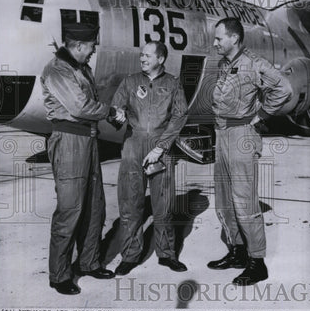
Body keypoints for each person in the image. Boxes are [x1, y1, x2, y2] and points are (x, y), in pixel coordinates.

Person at [208, 17, 293, 285]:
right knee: (224, 200)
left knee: (244, 202)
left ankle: (258, 263)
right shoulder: (225, 64)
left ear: (234, 38)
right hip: (221, 134)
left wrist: (263, 114)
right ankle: (238, 251)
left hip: (242, 135)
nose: (215, 42)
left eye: (219, 38)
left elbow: (284, 88)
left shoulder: (255, 63)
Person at [41, 22, 122, 295]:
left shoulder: (80, 68)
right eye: (91, 47)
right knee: (70, 209)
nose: (93, 51)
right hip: (69, 142)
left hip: (88, 139)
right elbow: (79, 106)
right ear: (78, 46)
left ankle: (88, 262)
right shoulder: (58, 70)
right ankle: (60, 274)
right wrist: (110, 112)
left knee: (93, 206)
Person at [109, 41, 188, 275]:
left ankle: (167, 254)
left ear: (160, 59)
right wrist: (117, 116)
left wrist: (161, 147)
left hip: (160, 147)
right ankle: (131, 255)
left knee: (163, 205)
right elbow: (115, 109)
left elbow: (180, 116)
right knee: (130, 203)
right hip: (133, 144)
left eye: (147, 55)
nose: (142, 58)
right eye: (141, 55)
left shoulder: (173, 84)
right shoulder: (130, 81)